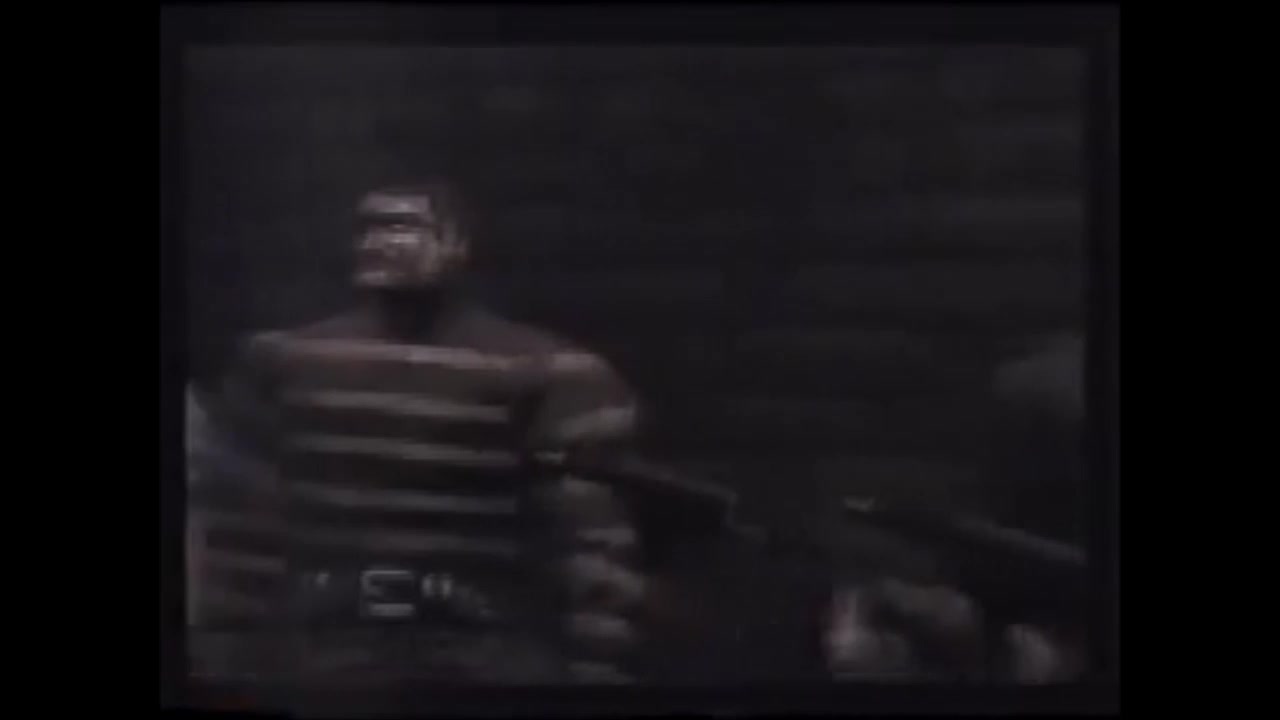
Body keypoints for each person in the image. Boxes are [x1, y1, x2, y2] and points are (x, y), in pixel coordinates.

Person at [188, 181, 647, 687]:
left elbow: (591, 544)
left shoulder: (551, 373)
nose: (377, 243)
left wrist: (596, 672)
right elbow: (240, 527)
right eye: (367, 229)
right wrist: (224, 657)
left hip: (482, 650)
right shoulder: (282, 362)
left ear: (457, 243)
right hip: (320, 646)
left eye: (402, 226)